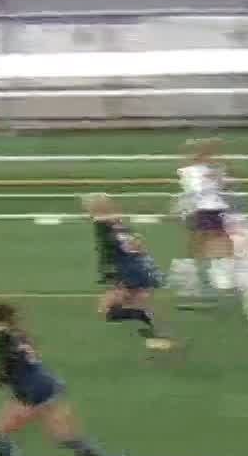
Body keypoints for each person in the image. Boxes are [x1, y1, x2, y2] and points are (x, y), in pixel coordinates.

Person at [0, 303, 121, 456]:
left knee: (4, 431)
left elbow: (7, 363)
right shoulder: (18, 333)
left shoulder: (1, 339)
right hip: (41, 386)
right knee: (58, 435)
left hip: (34, 392)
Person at [86, 194, 179, 351]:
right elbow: (138, 246)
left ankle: (151, 325)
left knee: (107, 310)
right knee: (135, 303)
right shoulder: (121, 226)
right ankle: (157, 334)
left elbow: (111, 252)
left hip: (128, 271)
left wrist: (114, 277)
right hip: (139, 267)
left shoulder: (103, 228)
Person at [175, 139, 239, 308]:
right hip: (205, 209)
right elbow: (213, 186)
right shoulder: (194, 170)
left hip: (202, 209)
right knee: (213, 242)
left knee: (199, 246)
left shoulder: (196, 169)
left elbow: (226, 183)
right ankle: (215, 280)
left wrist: (218, 170)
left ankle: (189, 285)